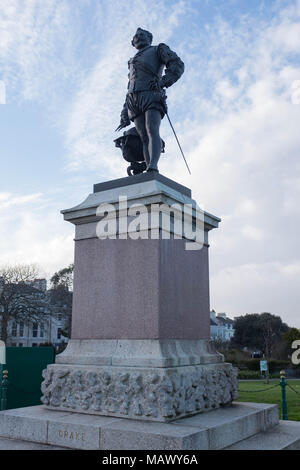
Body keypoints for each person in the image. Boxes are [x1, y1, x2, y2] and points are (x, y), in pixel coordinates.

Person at [116, 28, 184, 172]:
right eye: (136, 36)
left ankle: (153, 165)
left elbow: (177, 64)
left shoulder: (158, 49)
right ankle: (148, 166)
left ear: (149, 38)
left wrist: (163, 81)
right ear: (132, 42)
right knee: (143, 137)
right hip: (134, 99)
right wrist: (124, 113)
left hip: (151, 94)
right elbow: (130, 85)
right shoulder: (131, 62)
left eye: (143, 35)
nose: (139, 37)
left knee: (151, 129)